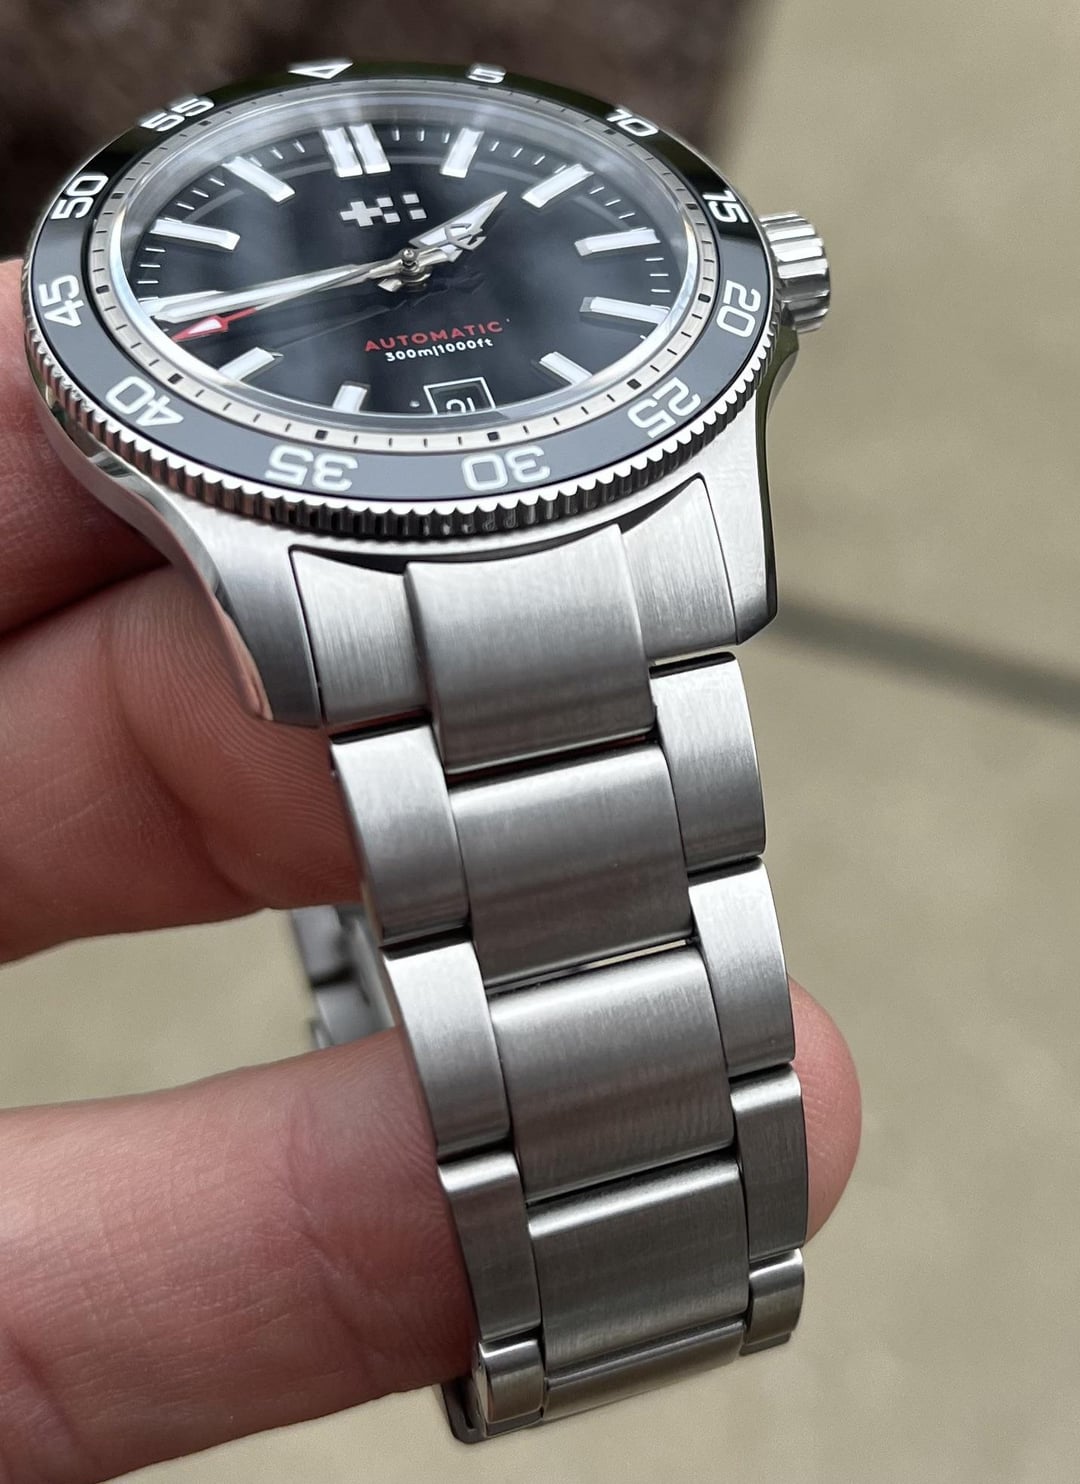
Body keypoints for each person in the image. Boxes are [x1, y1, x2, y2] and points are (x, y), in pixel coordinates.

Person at [0, 257, 861, 1484]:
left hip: (616, 505)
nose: (412, 267)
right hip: (340, 562)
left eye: (434, 258)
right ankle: (560, 1273)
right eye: (400, 269)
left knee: (674, 850)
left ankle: (613, 1254)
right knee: (360, 797)